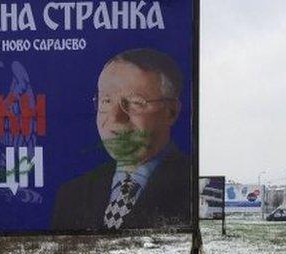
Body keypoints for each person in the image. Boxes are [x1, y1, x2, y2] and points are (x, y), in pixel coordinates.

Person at [51, 48, 191, 231]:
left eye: (135, 102)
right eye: (106, 101)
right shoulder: (72, 195)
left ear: (171, 112)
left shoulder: (190, 189)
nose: (115, 118)